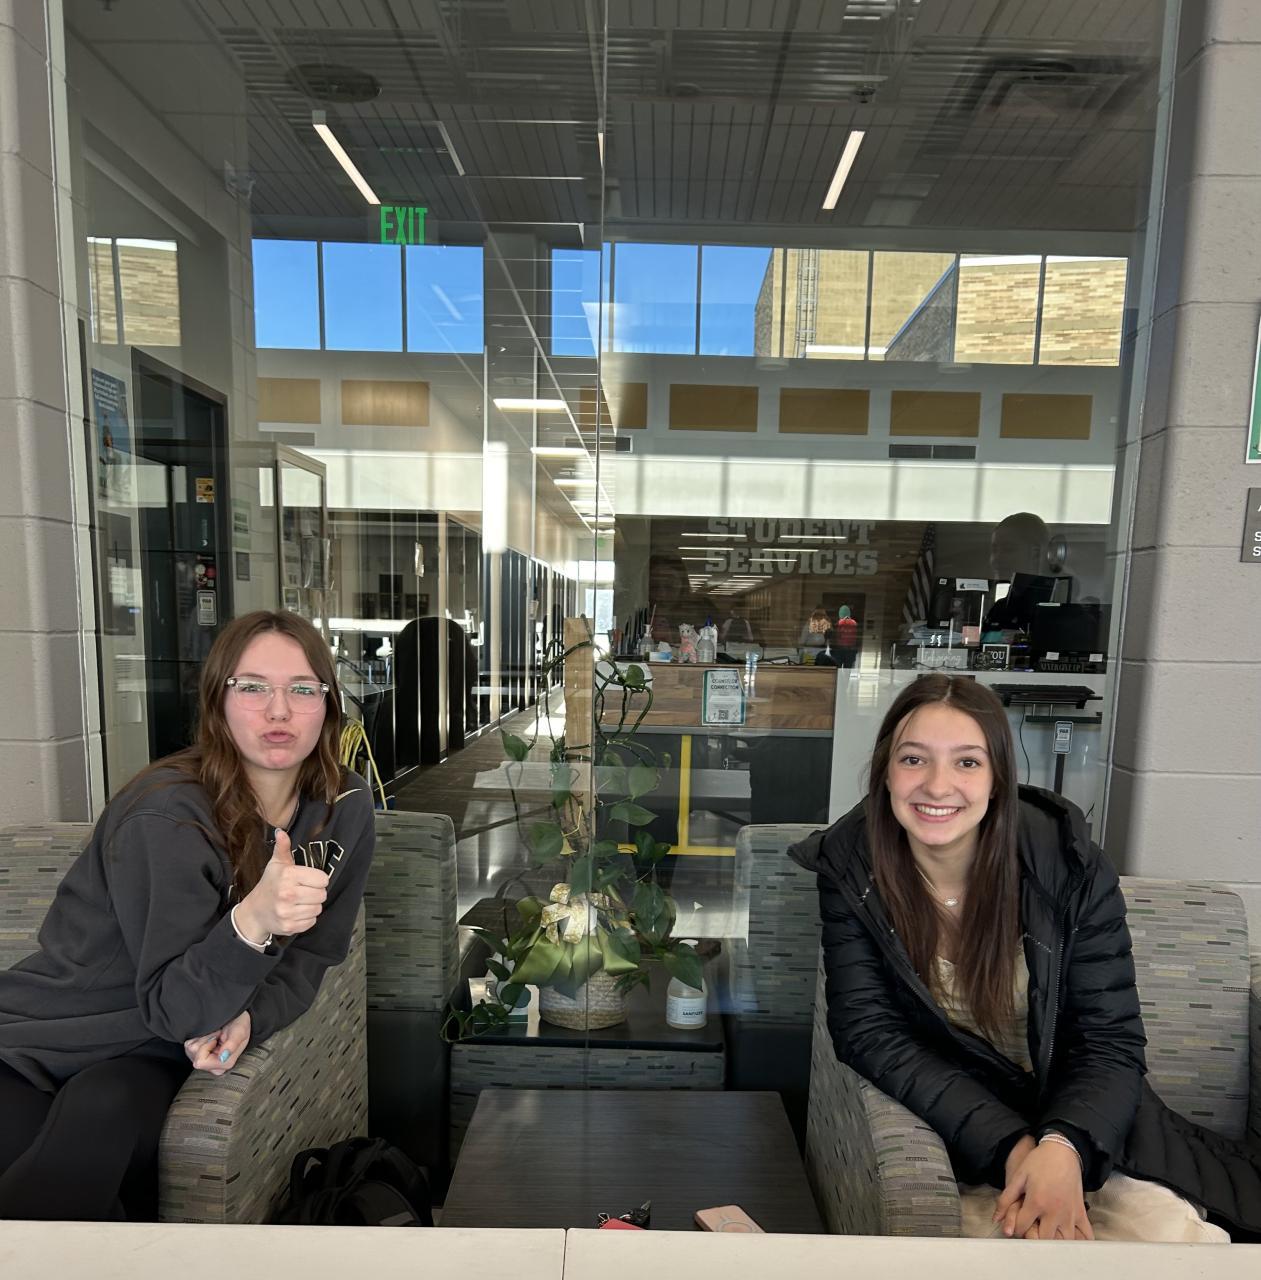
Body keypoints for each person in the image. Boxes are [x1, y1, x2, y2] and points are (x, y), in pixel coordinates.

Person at [791, 674, 1260, 1243]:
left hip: (1086, 1129)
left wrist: (1061, 1150)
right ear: (886, 772)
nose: (937, 785)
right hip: (967, 1135)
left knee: (1163, 1238)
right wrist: (1014, 1148)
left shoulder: (1069, 867)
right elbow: (869, 1033)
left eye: (967, 762)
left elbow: (1110, 1041)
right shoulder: (852, 869)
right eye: (914, 759)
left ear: (997, 781)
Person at [0, 610, 376, 1221]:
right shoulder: (167, 816)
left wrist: (253, 1015)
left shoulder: (344, 805)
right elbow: (174, 1005)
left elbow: (314, 952)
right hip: (38, 1041)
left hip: (151, 1048)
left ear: (328, 705)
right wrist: (252, 922)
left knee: (104, 1114)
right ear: (217, 702)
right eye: (252, 687)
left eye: (303, 689)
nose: (279, 710)